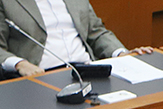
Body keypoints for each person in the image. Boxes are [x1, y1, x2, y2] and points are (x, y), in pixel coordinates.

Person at [0, 0, 151, 77]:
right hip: (43, 76)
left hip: (88, 70)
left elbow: (96, 32)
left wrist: (122, 55)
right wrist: (20, 64)